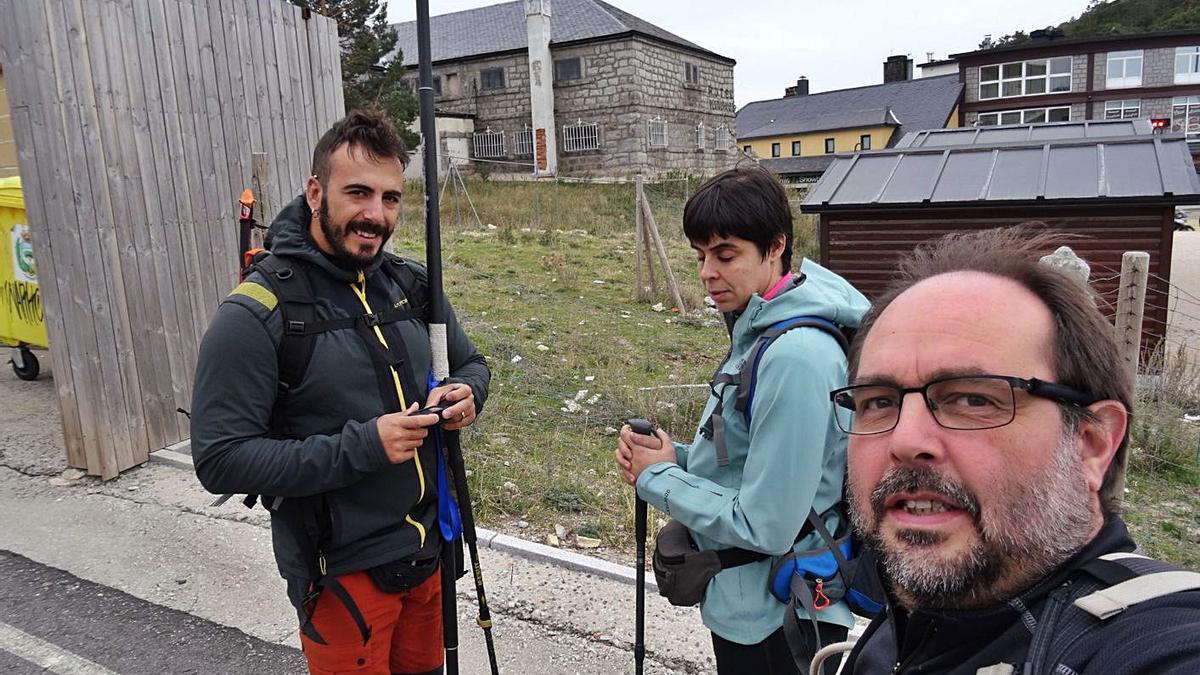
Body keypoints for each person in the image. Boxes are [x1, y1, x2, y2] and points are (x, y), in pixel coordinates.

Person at [191, 108, 490, 675]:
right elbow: (219, 460)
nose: (375, 216)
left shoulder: (411, 285)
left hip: (430, 552)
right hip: (341, 574)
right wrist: (366, 445)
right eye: (357, 193)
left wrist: (466, 394)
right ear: (314, 192)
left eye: (391, 198)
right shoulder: (256, 314)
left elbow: (471, 362)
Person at [834, 227, 1200, 674]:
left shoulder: (1154, 641)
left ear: (1091, 443)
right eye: (879, 402)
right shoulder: (910, 619)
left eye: (972, 399)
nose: (905, 440)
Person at [615, 167, 869, 674]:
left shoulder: (796, 356)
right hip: (749, 598)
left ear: (775, 247)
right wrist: (676, 457)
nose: (708, 272)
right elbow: (748, 462)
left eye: (725, 254)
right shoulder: (763, 327)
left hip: (780, 615)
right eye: (701, 256)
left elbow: (767, 523)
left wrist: (658, 478)